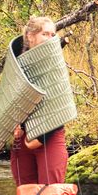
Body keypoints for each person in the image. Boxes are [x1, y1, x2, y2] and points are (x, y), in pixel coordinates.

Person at [9, 16, 69, 186]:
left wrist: (40, 139)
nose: (50, 38)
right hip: (22, 138)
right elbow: (11, 97)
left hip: (50, 135)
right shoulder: (17, 62)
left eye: (53, 35)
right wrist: (15, 124)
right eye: (45, 34)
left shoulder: (55, 64)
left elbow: (60, 105)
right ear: (30, 36)